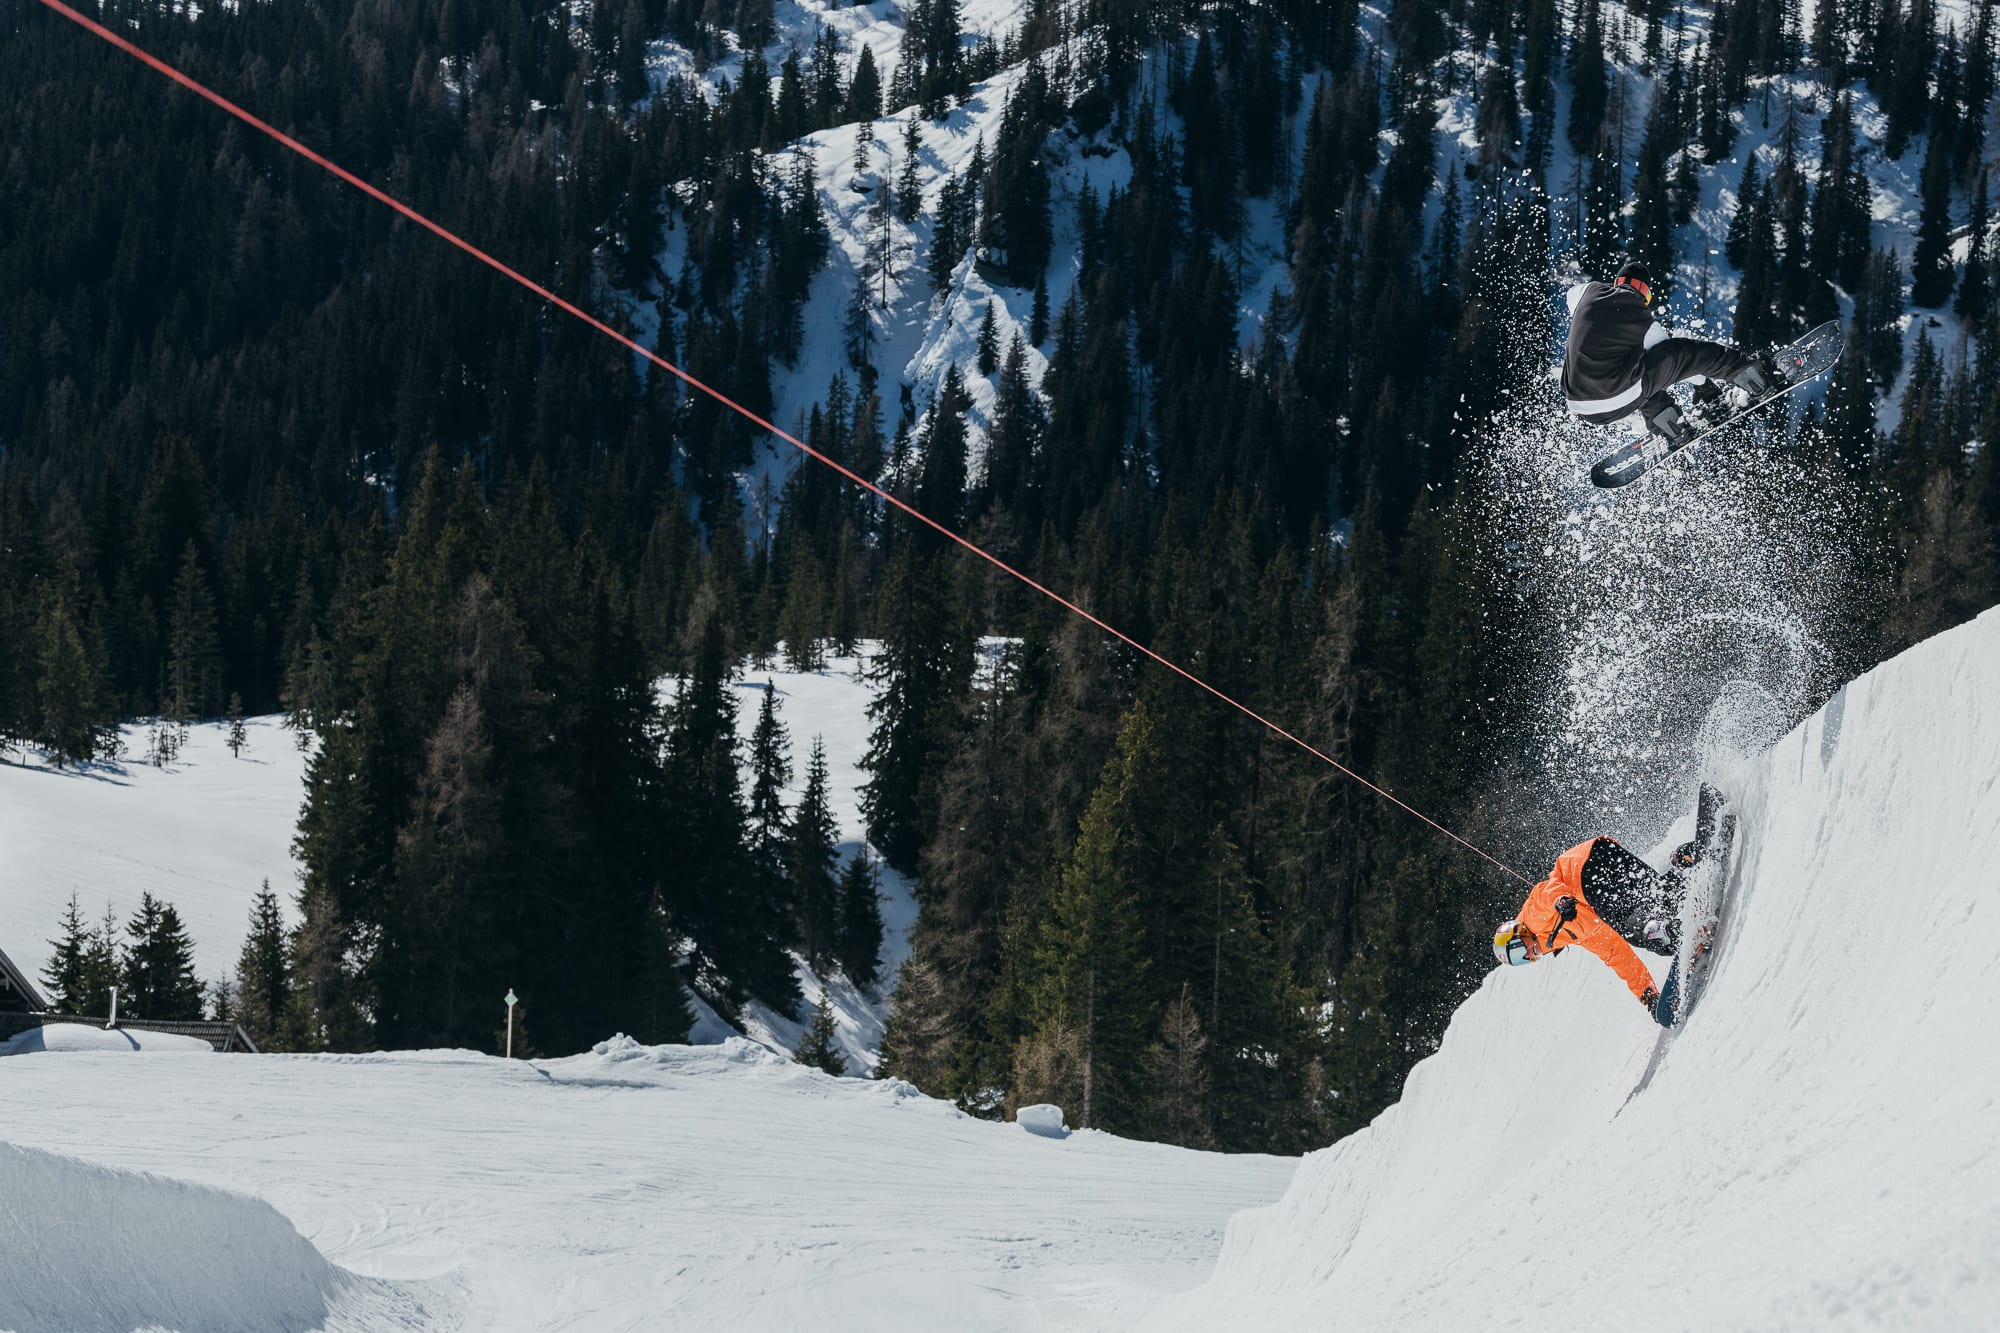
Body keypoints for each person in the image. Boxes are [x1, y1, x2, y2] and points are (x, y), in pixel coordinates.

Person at [1491, 786, 1724, 1019]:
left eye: (1520, 951)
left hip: (1586, 873)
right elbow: (1615, 954)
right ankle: (1686, 862)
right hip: (1603, 853)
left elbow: (1544, 893)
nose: (1528, 956)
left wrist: (1561, 901)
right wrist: (1648, 995)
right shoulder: (1572, 933)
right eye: (1522, 961)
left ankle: (1678, 934)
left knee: (1637, 928)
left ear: (1518, 934)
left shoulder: (1533, 921)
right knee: (1660, 899)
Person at [1561, 260, 1776, 447]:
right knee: (1677, 352)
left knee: (1638, 371)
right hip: (1620, 398)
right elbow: (1677, 363)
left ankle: (1668, 423)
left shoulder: (1587, 292)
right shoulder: (1644, 322)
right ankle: (1751, 375)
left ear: (1616, 282)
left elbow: (1571, 295)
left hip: (1579, 404)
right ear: (1645, 295)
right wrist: (1703, 385)